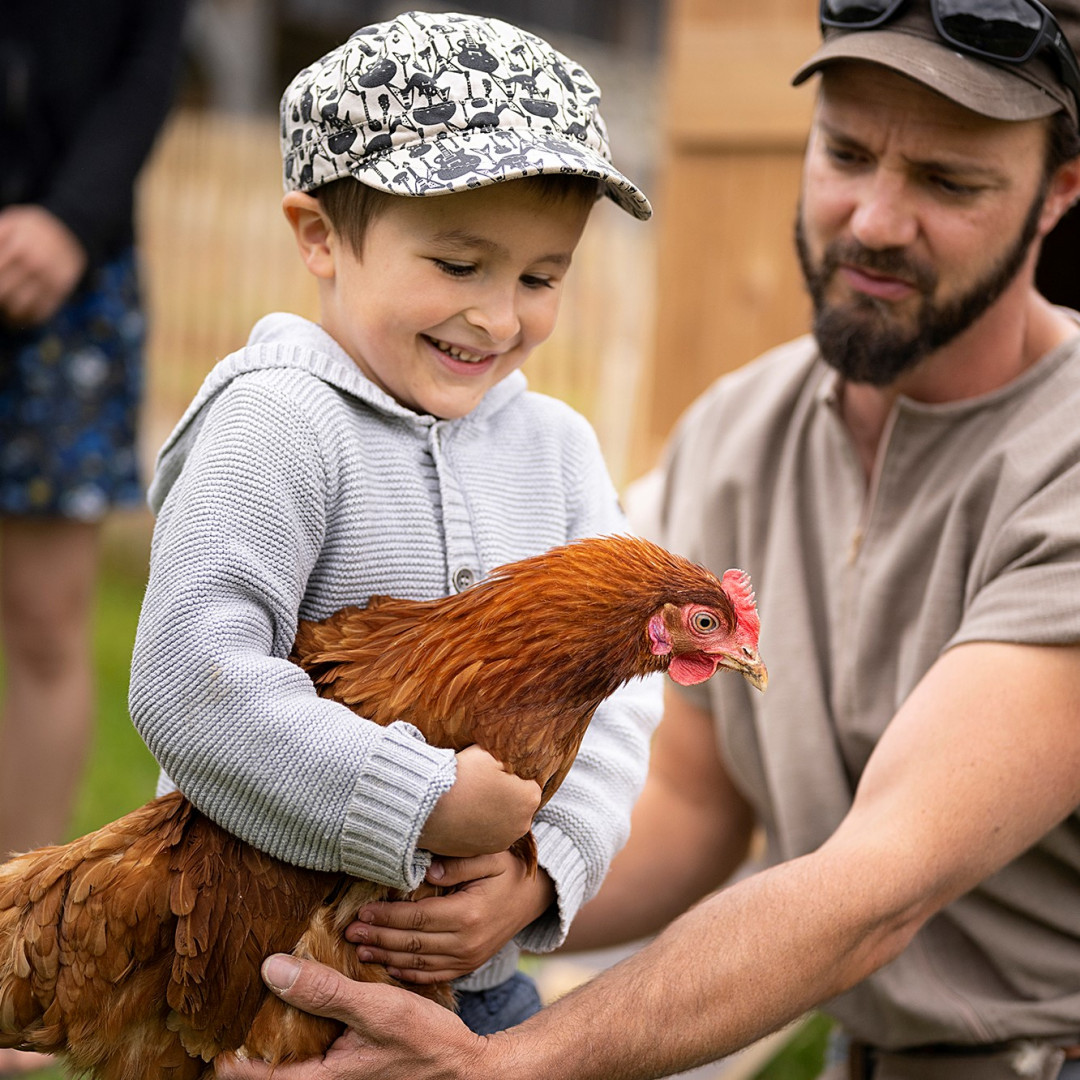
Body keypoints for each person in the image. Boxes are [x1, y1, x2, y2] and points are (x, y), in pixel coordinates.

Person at [213, 1, 1080, 1079]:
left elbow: (880, 887)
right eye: (847, 152)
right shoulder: (742, 429)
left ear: (1058, 196)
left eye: (950, 183)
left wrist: (503, 1062)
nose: (874, 219)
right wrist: (505, 887)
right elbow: (688, 802)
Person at [126, 8, 660, 1048]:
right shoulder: (277, 424)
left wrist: (540, 867)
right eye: (459, 267)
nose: (499, 318)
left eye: (541, 277)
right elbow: (192, 676)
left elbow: (621, 702)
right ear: (320, 237)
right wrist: (417, 804)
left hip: (477, 977)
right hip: (261, 977)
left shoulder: (558, 449)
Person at [0, 5, 188, 1077]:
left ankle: (11, 960)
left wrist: (71, 218)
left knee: (43, 623)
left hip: (73, 273)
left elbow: (150, 59)